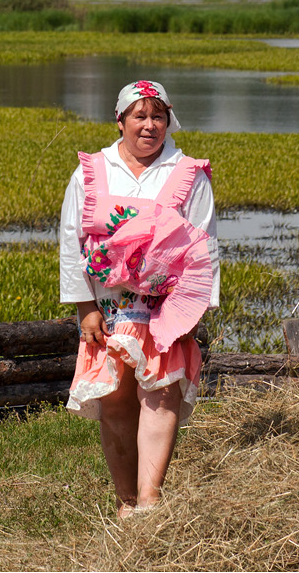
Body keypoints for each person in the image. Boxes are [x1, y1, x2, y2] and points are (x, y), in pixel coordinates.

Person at [59, 79, 219, 518]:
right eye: (140, 116)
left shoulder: (188, 172)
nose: (150, 126)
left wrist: (196, 308)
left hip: (166, 307)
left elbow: (204, 244)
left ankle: (149, 501)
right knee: (114, 398)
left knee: (162, 394)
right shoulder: (92, 170)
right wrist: (85, 306)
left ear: (169, 120)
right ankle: (125, 499)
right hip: (108, 306)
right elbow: (70, 241)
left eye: (158, 117)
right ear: (121, 120)